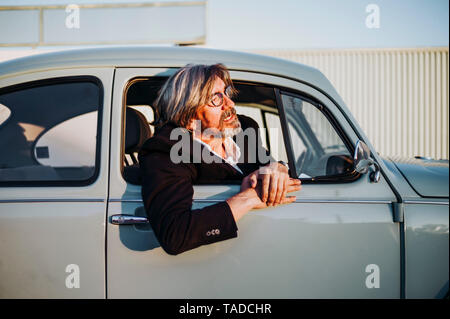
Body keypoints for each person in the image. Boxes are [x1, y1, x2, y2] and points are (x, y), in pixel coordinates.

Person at [139, 63, 301, 255]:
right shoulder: (166, 151)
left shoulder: (243, 135)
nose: (230, 104)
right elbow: (175, 234)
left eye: (226, 93)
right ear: (189, 115)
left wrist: (278, 167)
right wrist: (248, 198)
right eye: (216, 98)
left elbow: (269, 167)